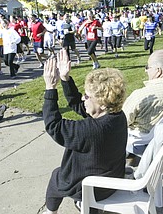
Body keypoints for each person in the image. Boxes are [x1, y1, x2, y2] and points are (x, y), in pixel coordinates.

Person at [42, 49, 127, 214]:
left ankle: (50, 211)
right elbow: (78, 104)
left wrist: (50, 88)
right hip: (110, 180)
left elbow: (54, 126)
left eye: (87, 96)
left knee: (57, 177)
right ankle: (88, 206)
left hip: (91, 188)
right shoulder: (116, 114)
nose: (83, 98)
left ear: (102, 103)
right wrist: (65, 79)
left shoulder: (91, 131)